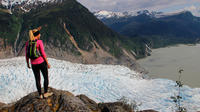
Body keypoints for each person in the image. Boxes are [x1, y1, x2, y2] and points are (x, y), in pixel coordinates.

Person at [25, 26, 52, 99]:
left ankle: (40, 94)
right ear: (37, 35)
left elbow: (26, 55)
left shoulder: (28, 43)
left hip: (33, 64)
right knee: (45, 77)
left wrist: (28, 63)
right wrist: (47, 63)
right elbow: (43, 53)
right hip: (41, 62)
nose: (40, 35)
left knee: (37, 79)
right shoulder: (39, 42)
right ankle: (45, 93)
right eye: (39, 34)